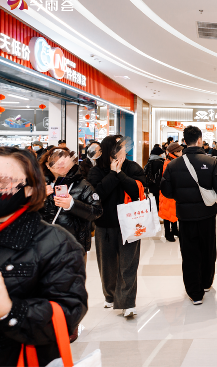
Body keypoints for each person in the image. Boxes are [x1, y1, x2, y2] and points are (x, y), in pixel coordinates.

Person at [0, 147, 87, 366]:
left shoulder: (56, 244)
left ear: (29, 189)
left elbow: (67, 314)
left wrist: (10, 311)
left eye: (3, 181)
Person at [161, 126, 217, 305]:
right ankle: (206, 283)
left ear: (184, 141)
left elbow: (166, 191)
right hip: (207, 214)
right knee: (207, 249)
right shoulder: (212, 162)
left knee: (189, 253)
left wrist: (181, 196)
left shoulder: (173, 165)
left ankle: (194, 293)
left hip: (185, 216)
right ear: (199, 140)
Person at [87, 136, 146, 318]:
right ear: (111, 151)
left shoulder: (132, 167)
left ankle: (127, 302)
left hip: (131, 224)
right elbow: (97, 195)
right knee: (108, 264)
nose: (124, 150)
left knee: (129, 264)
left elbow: (138, 190)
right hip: (105, 225)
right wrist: (112, 174)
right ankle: (110, 295)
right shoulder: (97, 171)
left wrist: (121, 174)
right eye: (121, 148)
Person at [39, 148, 103, 260]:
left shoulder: (83, 185)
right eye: (55, 160)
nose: (60, 163)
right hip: (45, 245)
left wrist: (72, 204)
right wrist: (39, 199)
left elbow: (97, 211)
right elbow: (25, 213)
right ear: (47, 165)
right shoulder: (40, 184)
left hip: (74, 246)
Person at [159, 143, 183, 242]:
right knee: (167, 213)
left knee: (174, 212)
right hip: (168, 192)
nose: (182, 152)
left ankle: (174, 230)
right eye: (180, 151)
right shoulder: (169, 163)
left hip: (173, 191)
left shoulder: (174, 161)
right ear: (175, 152)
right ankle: (167, 233)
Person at [144, 144, 165, 211]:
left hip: (151, 184)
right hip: (158, 184)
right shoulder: (160, 162)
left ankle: (156, 211)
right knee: (159, 199)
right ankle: (159, 211)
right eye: (161, 153)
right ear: (158, 154)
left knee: (155, 197)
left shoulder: (150, 160)